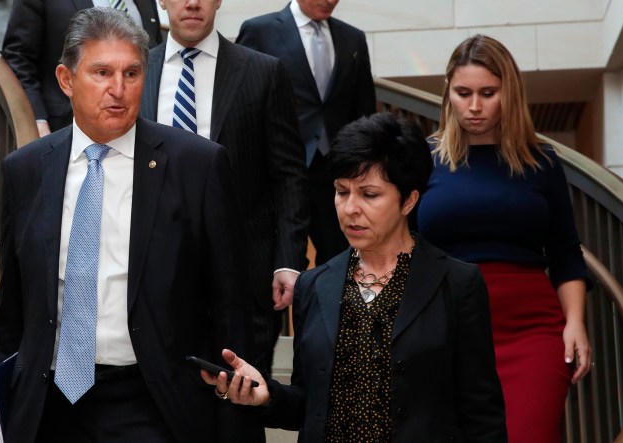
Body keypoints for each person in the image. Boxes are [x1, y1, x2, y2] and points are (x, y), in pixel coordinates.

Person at [0, 8, 251, 442]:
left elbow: (228, 303)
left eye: (132, 73)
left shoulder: (197, 165)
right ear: (66, 80)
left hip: (151, 401)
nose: (118, 89)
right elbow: (11, 313)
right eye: (101, 72)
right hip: (47, 405)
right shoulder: (26, 170)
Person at [203, 113, 508, 443]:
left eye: (369, 194)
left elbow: (482, 415)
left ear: (408, 200)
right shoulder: (313, 286)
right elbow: (311, 404)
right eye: (341, 191)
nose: (350, 208)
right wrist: (266, 395)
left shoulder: (457, 283)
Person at [415, 34, 592, 443]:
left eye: (487, 93)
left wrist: (576, 323)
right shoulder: (424, 160)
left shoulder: (542, 162)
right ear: (448, 94)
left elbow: (566, 253)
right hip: (446, 328)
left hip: (531, 330)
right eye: (463, 93)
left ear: (508, 93)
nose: (474, 107)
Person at [140, 0, 309, 379]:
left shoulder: (262, 72)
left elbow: (289, 176)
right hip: (152, 282)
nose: (193, 3)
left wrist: (288, 260)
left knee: (240, 411)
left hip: (245, 282)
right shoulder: (136, 72)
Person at [236, 0, 377, 266]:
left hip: (336, 176)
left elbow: (364, 111)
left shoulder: (353, 38)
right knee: (284, 265)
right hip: (278, 175)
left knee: (339, 261)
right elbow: (242, 105)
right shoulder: (259, 31)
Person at [2, 0, 163, 137]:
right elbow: (19, 56)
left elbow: (152, 58)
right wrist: (35, 120)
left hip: (138, 133)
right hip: (61, 128)